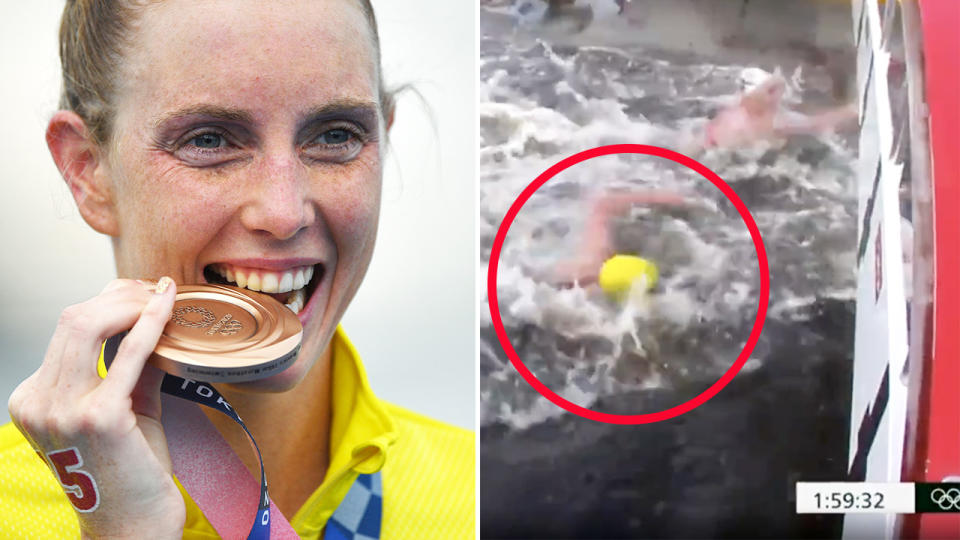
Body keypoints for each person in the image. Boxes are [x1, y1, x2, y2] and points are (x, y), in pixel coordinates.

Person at [0, 1, 474, 539]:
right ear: (87, 171)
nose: (283, 211)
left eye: (335, 135)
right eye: (208, 139)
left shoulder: (482, 495)